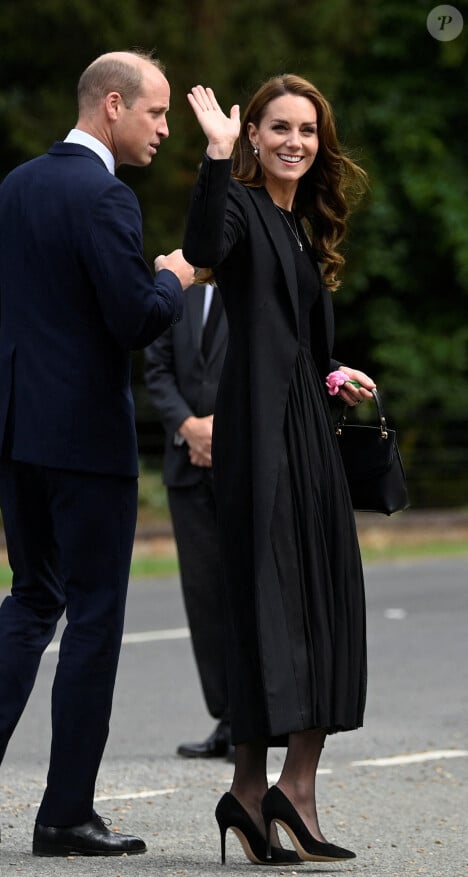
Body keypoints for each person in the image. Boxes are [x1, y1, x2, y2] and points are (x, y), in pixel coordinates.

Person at [0, 50, 195, 859]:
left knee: (30, 597)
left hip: (19, 433)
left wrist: (22, 403)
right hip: (87, 443)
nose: (162, 129)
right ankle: (66, 812)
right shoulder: (106, 196)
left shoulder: (15, 186)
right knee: (92, 615)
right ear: (111, 105)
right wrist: (175, 276)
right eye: (155, 113)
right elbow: (134, 317)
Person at [182, 76, 375, 866]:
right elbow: (200, 249)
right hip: (260, 440)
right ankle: (256, 788)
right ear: (255, 136)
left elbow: (296, 337)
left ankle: (284, 791)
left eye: (308, 129)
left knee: (323, 604)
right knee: (268, 606)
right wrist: (216, 159)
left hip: (309, 437)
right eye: (280, 128)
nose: (296, 140)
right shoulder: (240, 205)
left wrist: (333, 375)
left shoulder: (303, 227)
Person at [144, 280, 233, 760]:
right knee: (203, 598)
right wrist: (189, 427)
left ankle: (253, 725)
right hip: (186, 466)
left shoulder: (254, 280)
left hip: (243, 463)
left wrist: (223, 428)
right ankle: (225, 718)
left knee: (247, 594)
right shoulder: (176, 289)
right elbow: (156, 368)